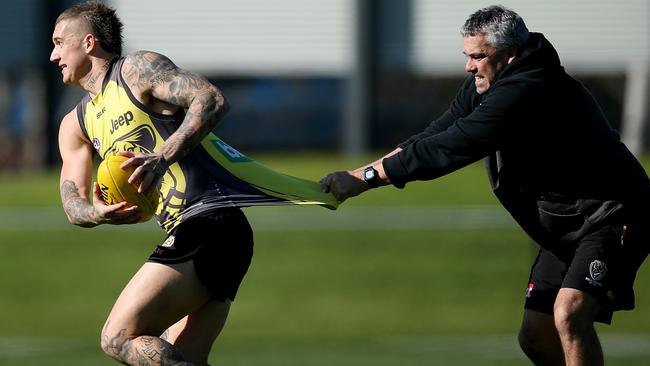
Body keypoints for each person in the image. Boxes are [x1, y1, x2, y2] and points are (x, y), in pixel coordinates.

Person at [321, 5, 649, 366]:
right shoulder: (488, 84)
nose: (469, 66)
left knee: (569, 313)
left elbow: (455, 145)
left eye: (478, 56)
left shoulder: (528, 88)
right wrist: (361, 171)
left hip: (612, 213)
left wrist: (365, 180)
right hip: (564, 228)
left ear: (509, 55)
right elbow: (437, 133)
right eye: (467, 56)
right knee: (536, 336)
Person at [51, 1, 335, 365]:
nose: (52, 55)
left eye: (60, 43)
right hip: (204, 233)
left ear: (88, 43)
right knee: (182, 356)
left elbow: (211, 99)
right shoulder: (75, 126)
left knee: (117, 337)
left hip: (209, 222)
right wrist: (97, 212)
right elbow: (73, 203)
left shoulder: (137, 71)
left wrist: (163, 157)